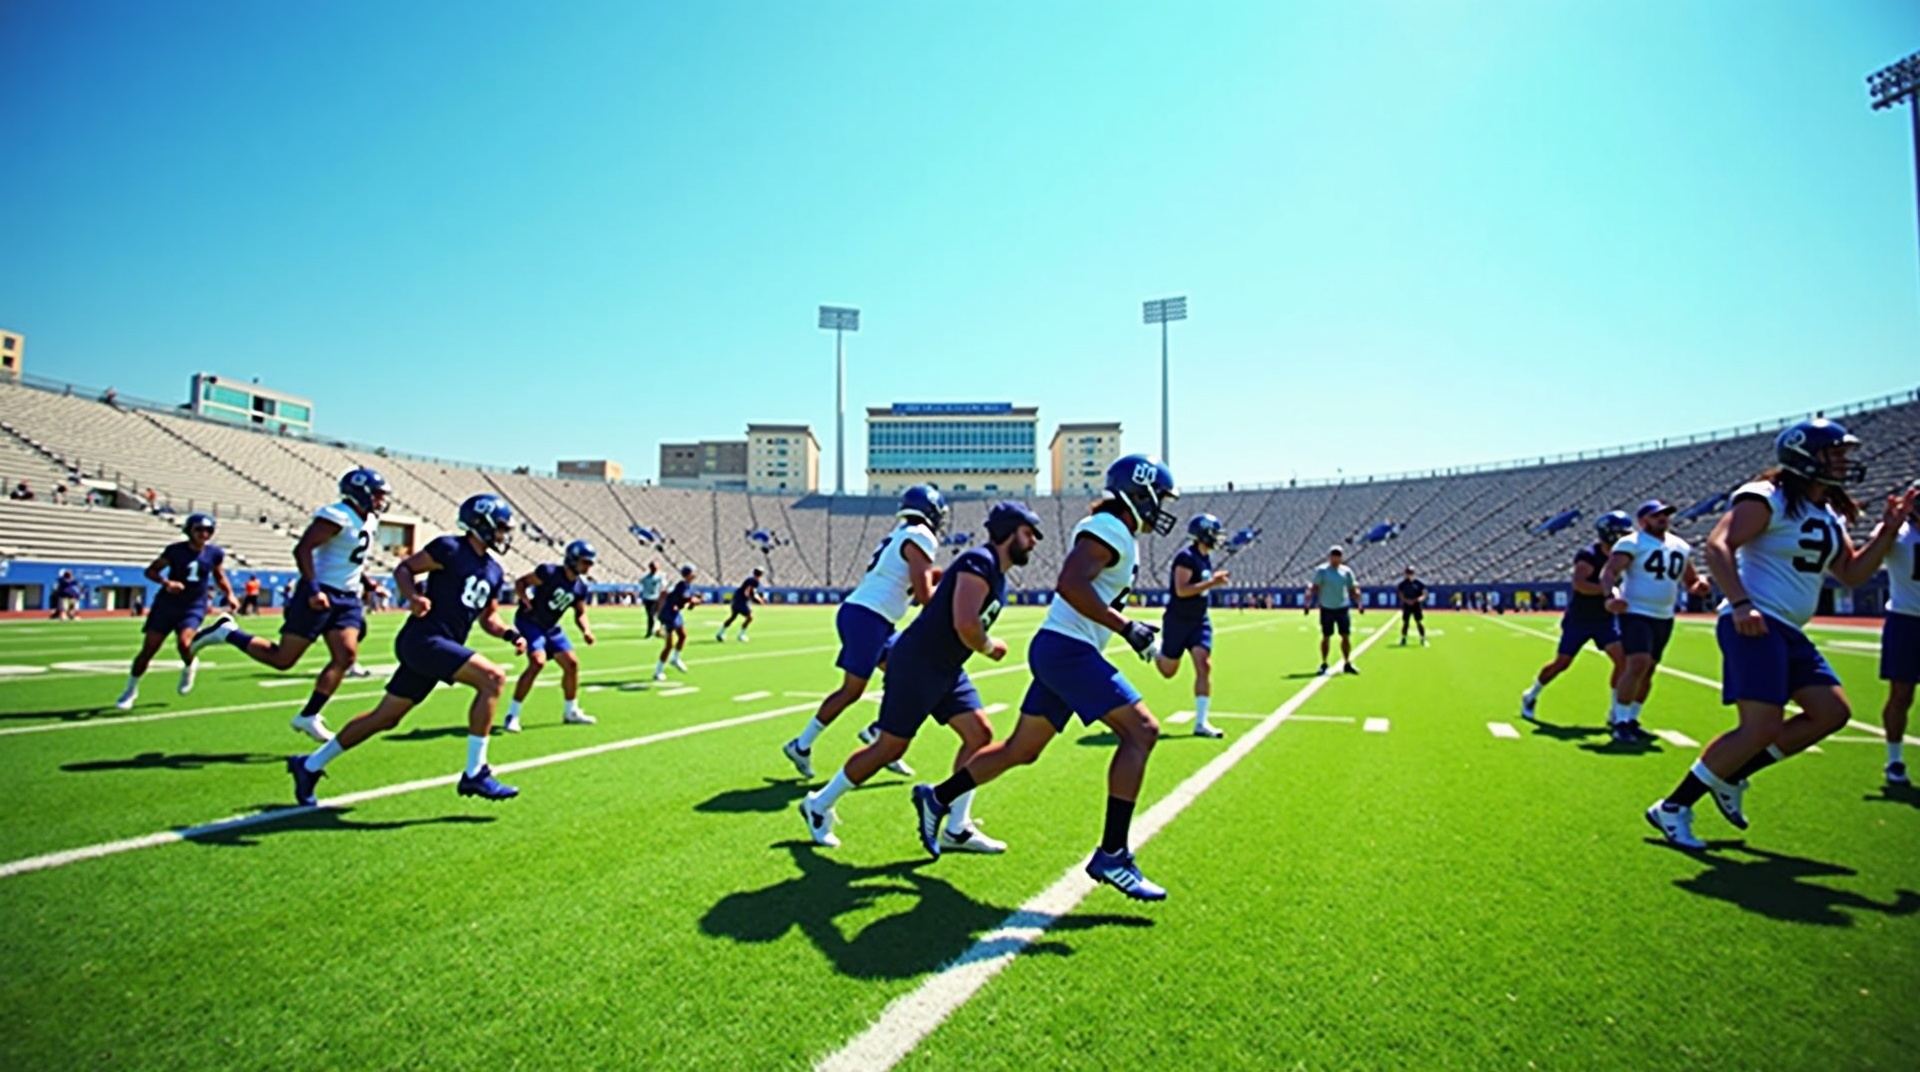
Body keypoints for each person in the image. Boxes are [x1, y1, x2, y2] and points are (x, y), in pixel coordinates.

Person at [912, 455, 1178, 901]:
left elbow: (1089, 593)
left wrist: (1129, 628)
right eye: (1160, 497)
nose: (1162, 507)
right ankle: (1113, 854)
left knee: (1022, 750)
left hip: (1064, 650)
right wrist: (1126, 628)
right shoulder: (1110, 528)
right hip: (1066, 652)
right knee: (1142, 732)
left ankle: (937, 797)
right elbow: (1071, 585)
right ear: (1141, 491)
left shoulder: (1116, 531)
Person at [1647, 419, 1915, 849]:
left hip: (1788, 628)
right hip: (1754, 621)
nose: (1844, 461)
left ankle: (1731, 776)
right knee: (1759, 727)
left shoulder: (1827, 513)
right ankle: (1674, 806)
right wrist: (1739, 602)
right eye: (1835, 452)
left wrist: (1886, 530)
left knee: (1831, 712)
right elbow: (1718, 545)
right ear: (1804, 455)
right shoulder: (1767, 497)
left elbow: (1850, 574)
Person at [799, 501, 1042, 853]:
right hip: (917, 662)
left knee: (979, 735)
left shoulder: (996, 573)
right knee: (889, 747)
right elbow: (966, 624)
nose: (1034, 541)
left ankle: (957, 827)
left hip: (946, 668)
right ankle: (819, 805)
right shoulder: (980, 562)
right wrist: (991, 648)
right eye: (1028, 533)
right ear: (1008, 532)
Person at [287, 493, 526, 807]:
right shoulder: (449, 548)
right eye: (499, 528)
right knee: (492, 678)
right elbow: (405, 569)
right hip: (424, 639)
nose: (502, 535)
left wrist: (510, 634)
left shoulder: (493, 570)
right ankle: (475, 772)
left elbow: (489, 618)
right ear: (480, 524)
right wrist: (412, 596)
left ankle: (309, 766)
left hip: (441, 645)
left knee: (384, 717)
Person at [191, 469, 390, 742]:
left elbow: (350, 560)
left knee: (346, 656)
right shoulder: (337, 516)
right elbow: (303, 549)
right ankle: (227, 632)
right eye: (377, 494)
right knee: (283, 659)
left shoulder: (368, 520)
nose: (381, 500)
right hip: (321, 593)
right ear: (360, 492)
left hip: (347, 597)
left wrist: (367, 583)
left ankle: (308, 715)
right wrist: (313, 588)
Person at [781, 486, 945, 780]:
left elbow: (911, 577)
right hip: (869, 618)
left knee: (909, 674)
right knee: (852, 690)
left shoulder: (902, 533)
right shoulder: (921, 536)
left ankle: (881, 735)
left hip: (871, 618)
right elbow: (923, 595)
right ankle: (801, 744)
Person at [1600, 500, 1709, 743]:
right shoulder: (1631, 542)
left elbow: (1689, 578)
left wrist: (1697, 585)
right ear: (1643, 520)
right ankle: (1619, 720)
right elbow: (1609, 572)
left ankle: (1632, 718)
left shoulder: (1679, 545)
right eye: (1656, 515)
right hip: (1636, 611)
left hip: (1664, 614)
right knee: (1637, 664)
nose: (1662, 519)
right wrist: (1611, 595)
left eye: (1665, 515)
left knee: (1649, 669)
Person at [114, 513, 235, 710]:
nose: (204, 534)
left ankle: (189, 666)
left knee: (185, 644)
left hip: (194, 605)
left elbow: (219, 575)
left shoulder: (214, 553)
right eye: (199, 529)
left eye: (208, 530)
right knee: (149, 650)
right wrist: (166, 582)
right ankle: (130, 690)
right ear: (189, 530)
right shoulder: (175, 551)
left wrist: (229, 594)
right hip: (167, 604)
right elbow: (151, 570)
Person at [1521, 512, 1631, 724]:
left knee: (1622, 660)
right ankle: (1531, 694)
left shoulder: (1624, 556)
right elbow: (1580, 584)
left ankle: (1616, 711)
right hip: (1581, 618)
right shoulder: (1589, 555)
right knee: (1562, 663)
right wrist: (1609, 591)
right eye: (1620, 533)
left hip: (1605, 619)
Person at [503, 539, 599, 732]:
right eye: (585, 562)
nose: (588, 566)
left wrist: (586, 630)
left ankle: (570, 711)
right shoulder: (549, 573)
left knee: (572, 664)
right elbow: (522, 582)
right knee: (537, 662)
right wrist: (524, 599)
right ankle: (512, 714)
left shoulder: (580, 587)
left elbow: (580, 612)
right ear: (572, 560)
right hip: (530, 622)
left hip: (550, 626)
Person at [1154, 513, 1230, 739]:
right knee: (1168, 671)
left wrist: (1210, 581)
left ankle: (1201, 722)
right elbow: (1182, 590)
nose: (1217, 538)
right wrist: (1212, 582)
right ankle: (1155, 650)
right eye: (1214, 533)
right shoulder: (1186, 557)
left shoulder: (1204, 557)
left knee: (1204, 665)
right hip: (1178, 620)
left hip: (1199, 620)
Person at [1875, 485, 1919, 786]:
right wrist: (1889, 527)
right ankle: (1894, 759)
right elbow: (1872, 553)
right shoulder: (1897, 532)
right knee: (1901, 695)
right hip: (1906, 620)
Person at [1305, 546, 1363, 675]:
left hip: (1342, 607)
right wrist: (1308, 602)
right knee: (1326, 636)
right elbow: (1314, 587)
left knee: (1345, 636)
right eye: (1333, 555)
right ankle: (1324, 663)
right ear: (1329, 557)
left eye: (1338, 555)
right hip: (1327, 608)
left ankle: (1347, 662)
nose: (1335, 558)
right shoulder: (1322, 571)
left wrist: (1359, 602)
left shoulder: (1346, 571)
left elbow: (1352, 588)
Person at [652, 564, 701, 680]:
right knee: (669, 645)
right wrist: (694, 600)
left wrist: (693, 603)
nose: (694, 575)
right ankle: (658, 671)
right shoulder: (682, 585)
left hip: (675, 613)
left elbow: (687, 604)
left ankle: (675, 658)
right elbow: (685, 599)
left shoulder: (688, 586)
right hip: (669, 614)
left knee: (683, 636)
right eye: (692, 572)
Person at [715, 567, 765, 642]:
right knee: (750, 617)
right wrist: (757, 599)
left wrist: (757, 598)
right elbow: (747, 592)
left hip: (736, 600)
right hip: (741, 601)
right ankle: (741, 635)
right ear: (761, 574)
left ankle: (720, 633)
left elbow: (751, 591)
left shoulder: (751, 580)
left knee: (733, 617)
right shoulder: (754, 581)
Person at [1397, 566, 1428, 646]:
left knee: (1419, 622)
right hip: (1407, 605)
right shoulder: (1402, 584)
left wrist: (1417, 600)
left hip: (1416, 605)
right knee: (1405, 623)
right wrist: (1407, 601)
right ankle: (1404, 638)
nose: (1409, 575)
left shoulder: (1419, 583)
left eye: (1411, 573)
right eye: (1408, 573)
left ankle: (1423, 639)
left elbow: (1424, 594)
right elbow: (1400, 595)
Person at [638, 562, 664, 637]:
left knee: (660, 615)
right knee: (650, 616)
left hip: (657, 598)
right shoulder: (646, 578)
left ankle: (659, 630)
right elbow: (641, 582)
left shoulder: (660, 577)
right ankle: (650, 631)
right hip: (648, 598)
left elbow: (664, 586)